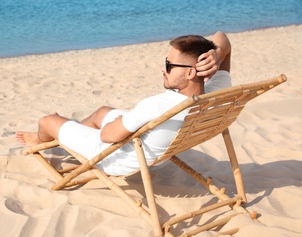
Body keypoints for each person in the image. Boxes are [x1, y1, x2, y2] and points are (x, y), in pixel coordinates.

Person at [16, 31, 232, 176]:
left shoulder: (158, 105)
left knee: (47, 120)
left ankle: (42, 139)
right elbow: (222, 38)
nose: (162, 69)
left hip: (118, 158)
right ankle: (68, 133)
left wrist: (121, 123)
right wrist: (218, 52)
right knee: (101, 112)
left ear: (191, 72)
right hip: (161, 147)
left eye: (168, 65)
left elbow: (107, 136)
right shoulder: (218, 91)